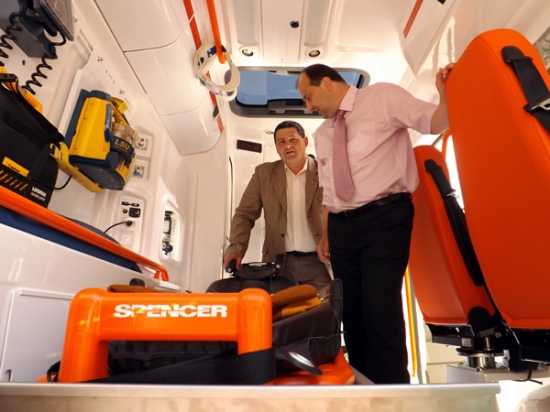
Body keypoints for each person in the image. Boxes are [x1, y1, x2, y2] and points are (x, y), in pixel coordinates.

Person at [296, 63, 454, 384]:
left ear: (327, 83)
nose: (308, 107)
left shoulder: (381, 97)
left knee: (380, 313)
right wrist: (326, 234)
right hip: (341, 228)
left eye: (308, 97)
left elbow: (436, 122)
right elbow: (329, 190)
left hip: (384, 219)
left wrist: (445, 94)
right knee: (352, 317)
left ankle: (392, 395)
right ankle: (365, 391)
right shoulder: (323, 133)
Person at [224, 120, 332, 290]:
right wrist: (235, 249)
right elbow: (244, 214)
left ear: (305, 141)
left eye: (293, 139)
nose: (287, 145)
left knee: (326, 307)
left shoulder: (326, 171)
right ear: (276, 147)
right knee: (279, 308)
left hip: (320, 262)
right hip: (279, 264)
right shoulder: (263, 174)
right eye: (281, 142)